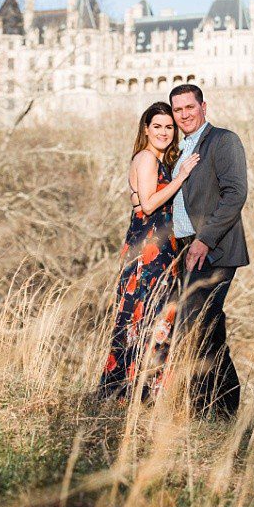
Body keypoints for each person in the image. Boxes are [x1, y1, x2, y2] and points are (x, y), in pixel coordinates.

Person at [100, 102, 199, 401]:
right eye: (157, 126)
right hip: (148, 253)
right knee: (145, 321)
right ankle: (131, 395)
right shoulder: (146, 158)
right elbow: (149, 204)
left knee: (152, 322)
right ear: (146, 129)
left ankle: (136, 396)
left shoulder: (157, 161)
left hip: (160, 251)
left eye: (169, 127)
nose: (164, 132)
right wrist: (181, 178)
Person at [168, 83, 248, 419]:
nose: (184, 114)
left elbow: (235, 193)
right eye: (178, 109)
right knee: (206, 324)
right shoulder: (180, 149)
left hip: (214, 249)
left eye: (190, 107)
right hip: (186, 250)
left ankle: (212, 406)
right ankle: (217, 410)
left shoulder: (223, 140)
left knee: (196, 322)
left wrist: (205, 240)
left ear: (204, 106)